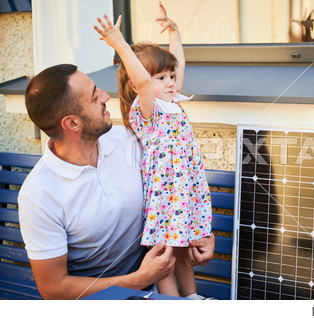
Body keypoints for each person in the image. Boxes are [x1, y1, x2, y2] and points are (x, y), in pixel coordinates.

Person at [18, 62, 215, 300]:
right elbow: (54, 289)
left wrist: (200, 233)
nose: (105, 97)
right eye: (94, 97)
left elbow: (177, 184)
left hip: (150, 294)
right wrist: (140, 278)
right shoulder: (39, 195)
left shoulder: (131, 140)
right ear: (72, 123)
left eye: (98, 88)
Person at [94, 2, 212, 299]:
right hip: (166, 194)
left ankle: (191, 299)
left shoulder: (172, 103)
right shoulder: (146, 110)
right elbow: (144, 80)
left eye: (170, 77)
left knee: (183, 252)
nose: (170, 82)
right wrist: (119, 44)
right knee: (166, 258)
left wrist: (175, 32)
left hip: (187, 190)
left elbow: (179, 65)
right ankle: (169, 303)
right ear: (138, 85)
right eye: (162, 78)